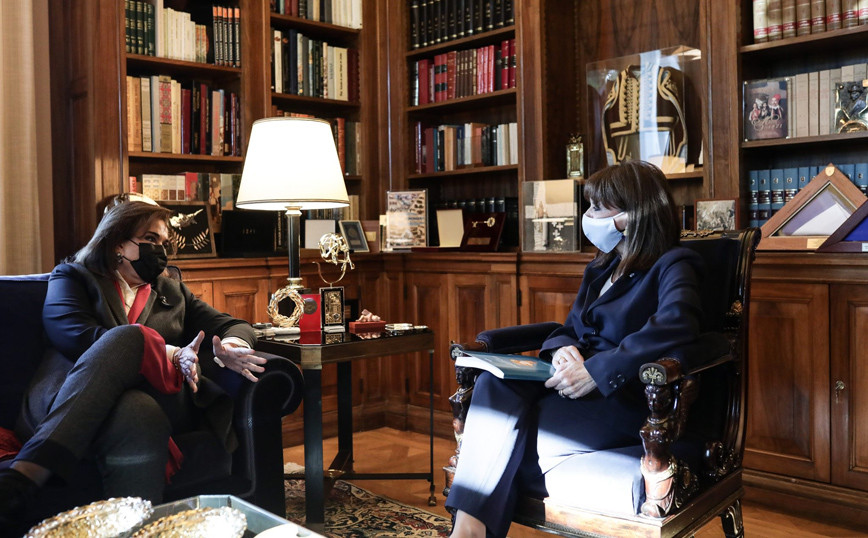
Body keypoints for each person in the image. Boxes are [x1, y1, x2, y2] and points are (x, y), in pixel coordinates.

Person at [446, 161, 706, 538]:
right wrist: (562, 349)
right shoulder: (601, 268)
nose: (588, 216)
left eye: (598, 208)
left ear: (632, 215)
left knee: (502, 432)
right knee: (492, 383)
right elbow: (568, 328)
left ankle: (470, 532)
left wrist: (597, 371)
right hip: (569, 382)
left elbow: (678, 323)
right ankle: (468, 531)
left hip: (621, 394)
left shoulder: (673, 264)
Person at [0, 198, 268, 524]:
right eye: (150, 238)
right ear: (117, 241)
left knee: (134, 344)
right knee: (136, 403)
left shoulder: (173, 292)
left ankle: (27, 474)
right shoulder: (73, 277)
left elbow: (233, 325)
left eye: (164, 243)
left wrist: (231, 346)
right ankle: (136, 528)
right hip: (70, 395)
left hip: (164, 396)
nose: (160, 250)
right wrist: (169, 352)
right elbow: (72, 335)